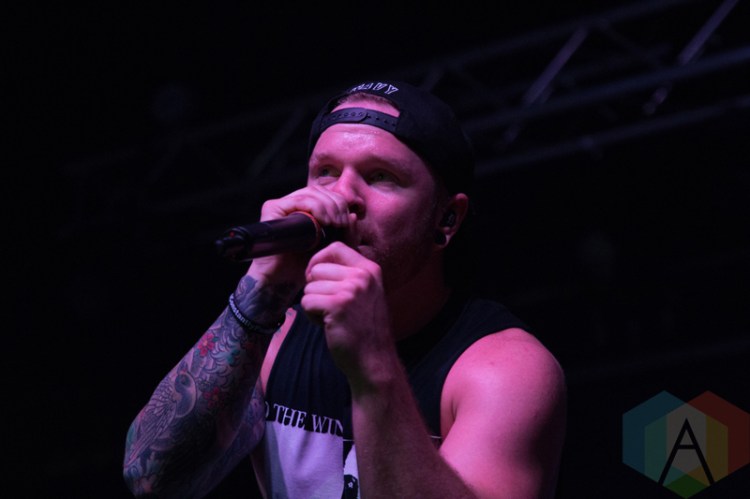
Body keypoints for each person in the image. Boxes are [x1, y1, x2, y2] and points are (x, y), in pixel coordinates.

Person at [123, 79, 567, 498]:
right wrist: (258, 294)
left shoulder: (504, 369)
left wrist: (372, 364)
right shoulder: (274, 338)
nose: (342, 196)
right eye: (325, 171)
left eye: (381, 177)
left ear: (446, 219)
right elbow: (152, 480)